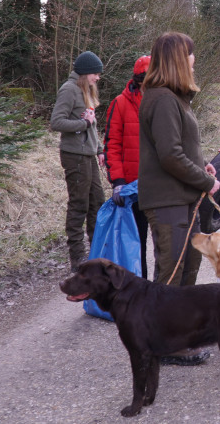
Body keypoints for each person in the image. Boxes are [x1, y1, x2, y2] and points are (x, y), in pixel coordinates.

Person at [138, 32, 220, 366]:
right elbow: (169, 156)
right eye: (189, 55)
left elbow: (180, 149)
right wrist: (205, 181)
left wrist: (202, 166)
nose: (193, 60)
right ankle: (161, 344)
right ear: (176, 59)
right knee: (171, 273)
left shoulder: (176, 98)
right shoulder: (161, 99)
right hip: (167, 200)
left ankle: (181, 336)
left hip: (185, 197)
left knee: (190, 265)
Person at [50, 51, 106, 273]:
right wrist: (82, 125)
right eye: (95, 73)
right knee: (79, 205)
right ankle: (77, 258)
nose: (98, 78)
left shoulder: (85, 90)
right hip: (74, 156)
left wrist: (100, 149)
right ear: (85, 73)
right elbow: (56, 122)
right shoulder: (69, 90)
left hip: (89, 156)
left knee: (98, 203)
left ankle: (96, 253)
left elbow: (90, 125)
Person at [103, 55, 151, 279]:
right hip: (132, 188)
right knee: (136, 242)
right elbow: (112, 144)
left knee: (164, 245)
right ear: (139, 80)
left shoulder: (165, 101)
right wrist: (119, 182)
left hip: (160, 184)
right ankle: (138, 288)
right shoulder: (119, 104)